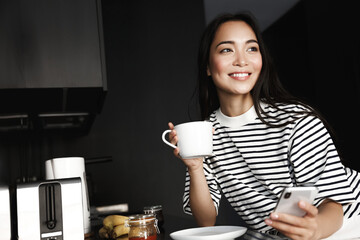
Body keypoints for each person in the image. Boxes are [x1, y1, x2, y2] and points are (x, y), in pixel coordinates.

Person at [167, 13, 360, 239]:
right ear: (207, 67)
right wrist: (195, 167)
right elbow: (206, 221)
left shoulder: (295, 118)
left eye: (251, 49)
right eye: (226, 50)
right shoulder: (205, 133)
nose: (242, 60)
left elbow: (335, 205)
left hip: (346, 224)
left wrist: (313, 230)